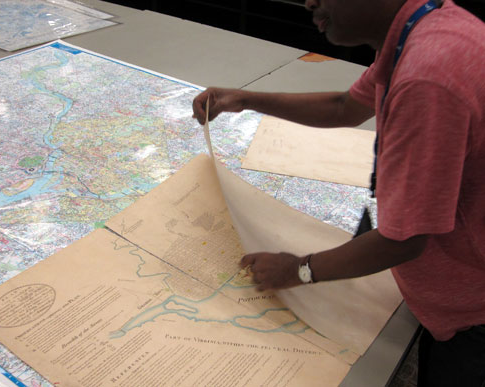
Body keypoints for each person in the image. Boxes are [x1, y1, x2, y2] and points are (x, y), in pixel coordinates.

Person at [192, 0, 485, 385]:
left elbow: (404, 240)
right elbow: (345, 107)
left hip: (472, 315)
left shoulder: (426, 78)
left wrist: (298, 269)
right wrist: (245, 100)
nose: (309, 2)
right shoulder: (424, 25)